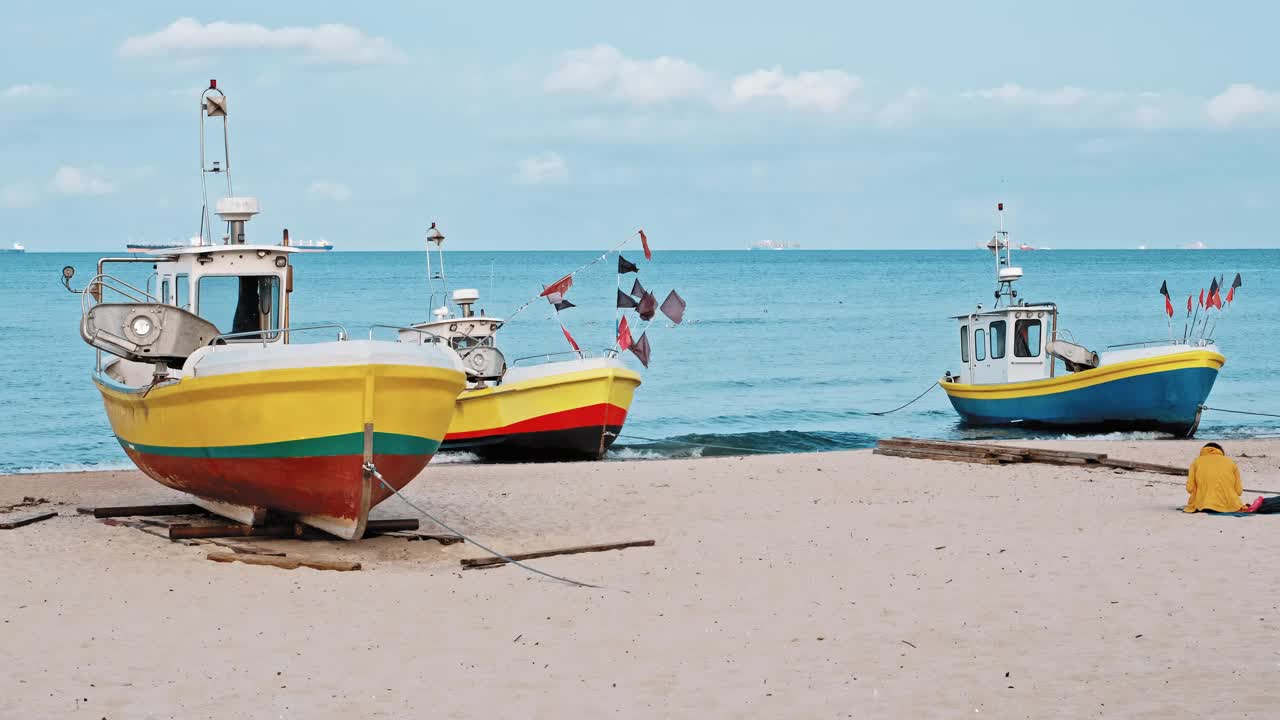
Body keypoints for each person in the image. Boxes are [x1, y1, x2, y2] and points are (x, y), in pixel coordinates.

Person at [1183, 442, 1248, 513]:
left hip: (1204, 505)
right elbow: (1239, 492)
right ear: (1220, 451)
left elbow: (1189, 488)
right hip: (1231, 506)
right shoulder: (1230, 462)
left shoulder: (1196, 461)